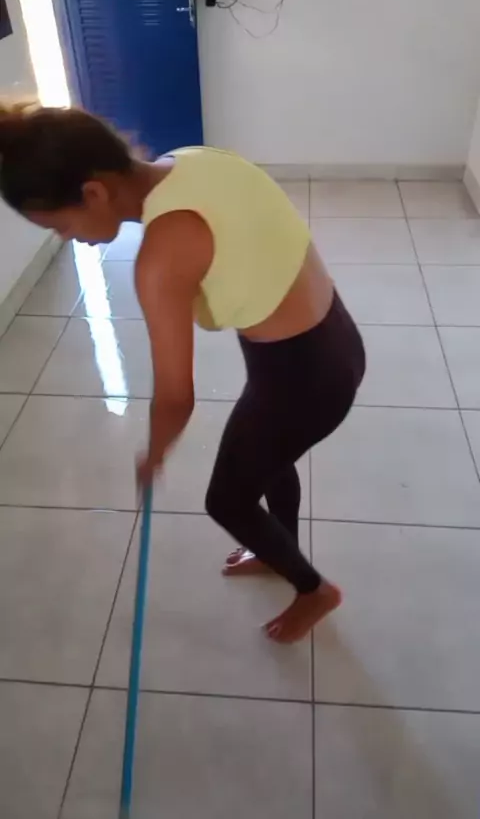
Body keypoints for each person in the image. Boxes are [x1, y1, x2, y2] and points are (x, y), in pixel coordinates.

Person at [0, 104, 365, 643]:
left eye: (60, 225)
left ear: (94, 192)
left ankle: (314, 591)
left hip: (301, 378)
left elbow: (176, 397)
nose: (66, 238)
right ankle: (277, 548)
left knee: (228, 500)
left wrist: (155, 452)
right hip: (333, 338)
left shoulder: (163, 254)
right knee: (269, 458)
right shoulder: (196, 159)